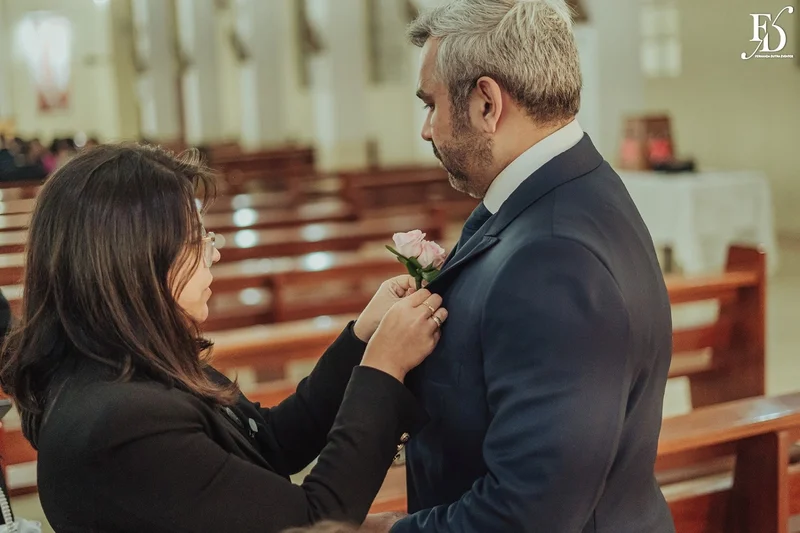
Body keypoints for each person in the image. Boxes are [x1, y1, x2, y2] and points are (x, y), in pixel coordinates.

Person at [0, 143, 448, 532]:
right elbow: (311, 523)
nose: (213, 253)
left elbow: (268, 442)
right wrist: (383, 369)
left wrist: (364, 337)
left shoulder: (129, 360)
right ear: (136, 259)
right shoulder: (119, 422)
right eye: (196, 238)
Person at [368, 1, 675, 532]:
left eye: (432, 105)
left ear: (487, 103)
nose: (427, 130)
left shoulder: (553, 257)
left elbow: (530, 513)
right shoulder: (569, 188)